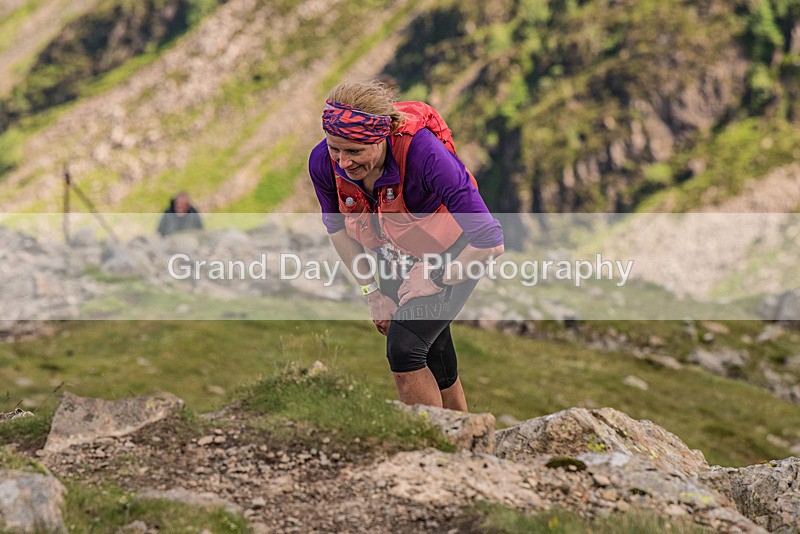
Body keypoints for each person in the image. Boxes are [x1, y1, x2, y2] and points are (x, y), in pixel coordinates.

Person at [308, 80, 504, 411]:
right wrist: (372, 292)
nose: (343, 162)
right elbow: (337, 228)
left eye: (355, 151)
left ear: (383, 136)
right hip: (392, 253)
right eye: (335, 148)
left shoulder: (425, 155)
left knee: (405, 347)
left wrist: (436, 278)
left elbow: (490, 240)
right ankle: (467, 446)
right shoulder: (322, 162)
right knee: (434, 353)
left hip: (455, 250)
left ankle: (430, 452)